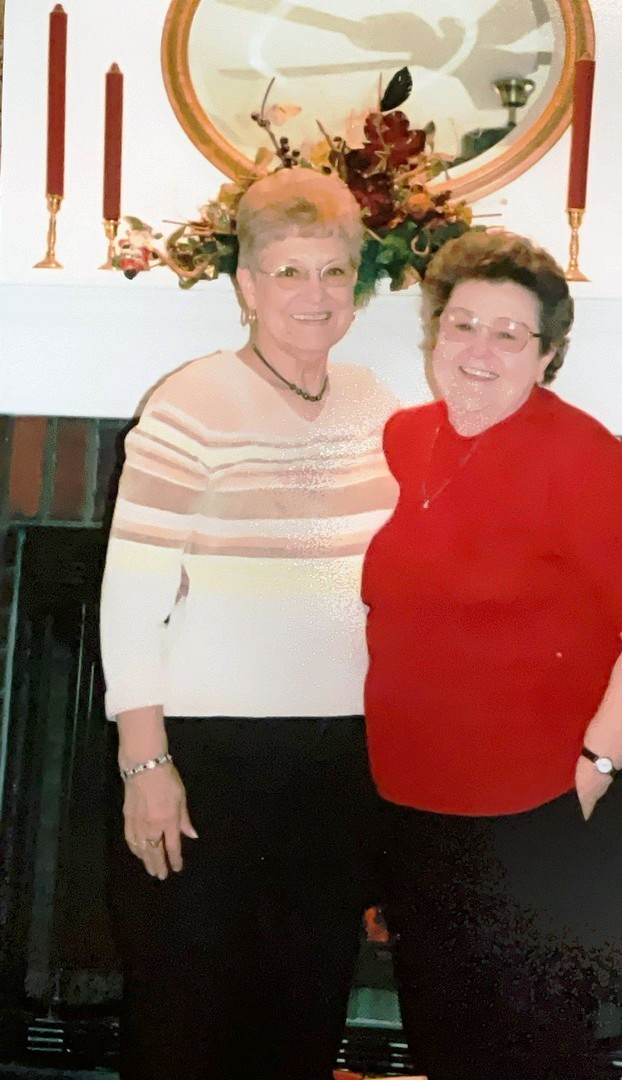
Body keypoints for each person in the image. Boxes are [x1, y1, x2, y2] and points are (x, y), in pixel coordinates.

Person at [361, 229, 622, 1080]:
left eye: (509, 334)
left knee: (536, 1049)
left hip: (534, 809)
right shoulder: (403, 439)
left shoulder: (586, 460)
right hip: (411, 799)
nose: (479, 350)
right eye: (462, 324)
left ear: (547, 355)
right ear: (435, 332)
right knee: (444, 1038)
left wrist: (594, 767)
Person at [100, 167, 399, 1080]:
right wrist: (145, 763)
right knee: (184, 1016)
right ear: (246, 286)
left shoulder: (376, 404)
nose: (315, 294)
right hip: (208, 754)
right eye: (288, 271)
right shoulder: (190, 403)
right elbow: (131, 594)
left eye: (335, 272)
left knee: (303, 1012)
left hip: (343, 758)